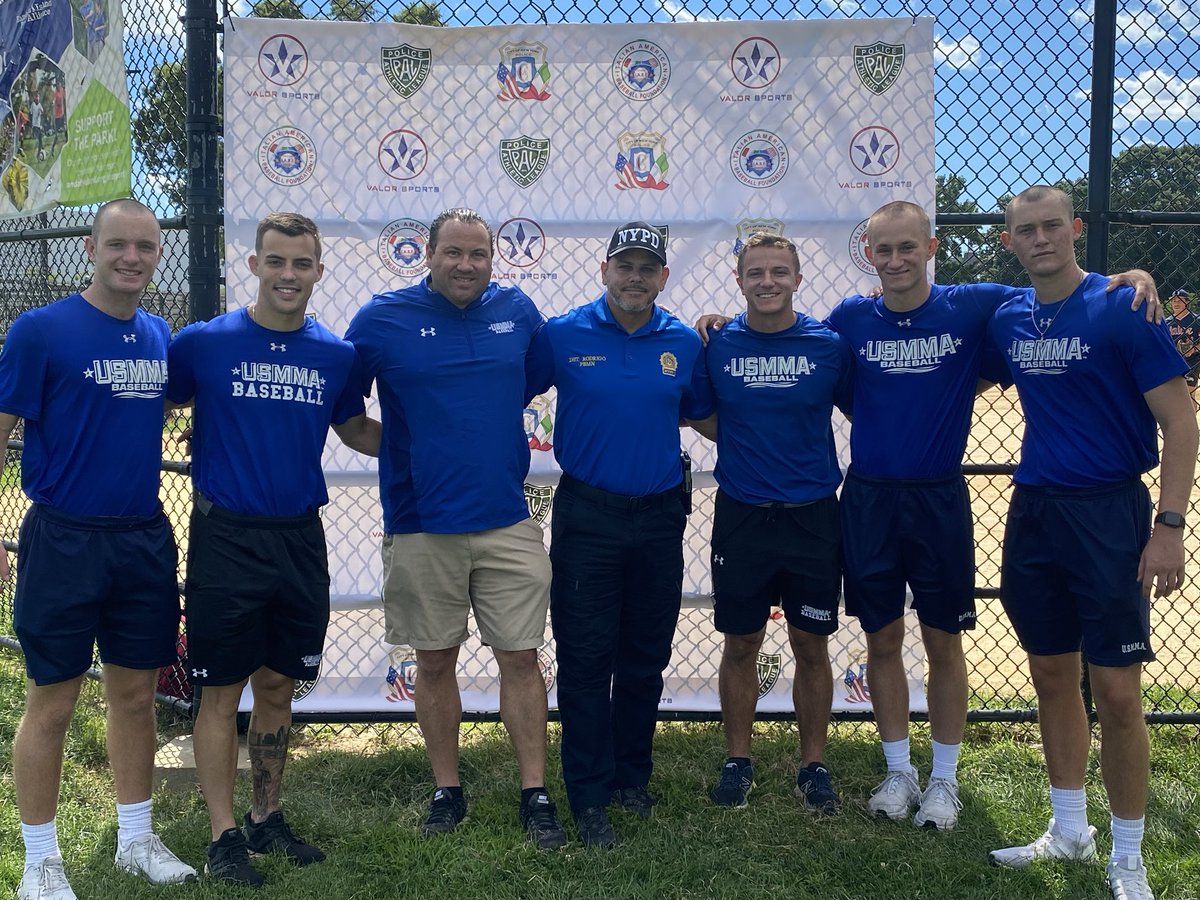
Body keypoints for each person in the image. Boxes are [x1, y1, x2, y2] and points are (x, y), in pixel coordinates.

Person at [698, 202, 1158, 833]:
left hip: (940, 496)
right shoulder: (848, 321)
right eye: (883, 250)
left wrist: (1125, 279)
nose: (895, 260)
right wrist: (720, 323)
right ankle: (898, 770)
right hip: (869, 498)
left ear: (932, 247)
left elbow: (1056, 290)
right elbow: (790, 348)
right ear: (869, 255)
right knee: (882, 639)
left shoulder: (973, 306)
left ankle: (943, 777)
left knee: (943, 640)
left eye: (907, 247)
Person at [984, 186, 1196, 900]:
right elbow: (929, 314)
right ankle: (1070, 828)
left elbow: (1181, 422)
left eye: (1052, 226)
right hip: (1036, 512)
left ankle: (1128, 855)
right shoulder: (1007, 316)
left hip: (1109, 511)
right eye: (1026, 230)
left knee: (1118, 693)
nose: (1040, 239)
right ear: (1009, 241)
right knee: (1051, 675)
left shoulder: (1123, 307)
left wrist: (1169, 527)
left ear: (1075, 228)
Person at [167, 213, 381, 886]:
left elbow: (356, 431)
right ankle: (223, 834)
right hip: (227, 536)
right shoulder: (204, 344)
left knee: (280, 685)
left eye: (302, 263)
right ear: (254, 265)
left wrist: (437, 439)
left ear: (318, 270)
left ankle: (265, 816)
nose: (289, 274)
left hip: (298, 536)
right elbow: (154, 405)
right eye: (277, 261)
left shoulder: (336, 355)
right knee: (219, 692)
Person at [344, 208, 567, 850]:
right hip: (421, 523)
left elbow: (528, 381)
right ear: (429, 255)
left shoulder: (517, 311)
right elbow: (347, 414)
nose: (465, 265)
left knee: (521, 657)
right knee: (435, 659)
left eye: (478, 254)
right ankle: (448, 788)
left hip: (506, 518)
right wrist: (407, 452)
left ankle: (535, 792)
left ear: (493, 260)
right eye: (453, 253)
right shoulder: (382, 319)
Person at [0, 198, 196, 900]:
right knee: (52, 699)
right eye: (118, 244)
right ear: (90, 248)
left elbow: (160, 408)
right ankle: (40, 859)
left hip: (141, 537)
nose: (131, 258)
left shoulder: (158, 334)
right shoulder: (40, 330)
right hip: (64, 537)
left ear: (158, 254)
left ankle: (136, 838)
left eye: (146, 247)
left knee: (136, 694)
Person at [524, 222, 713, 847]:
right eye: (624, 265)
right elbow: (503, 387)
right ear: (604, 270)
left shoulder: (682, 341)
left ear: (663, 276)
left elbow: (709, 415)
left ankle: (633, 777)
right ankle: (588, 793)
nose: (635, 277)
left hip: (659, 517)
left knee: (644, 657)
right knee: (585, 660)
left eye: (647, 267)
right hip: (590, 516)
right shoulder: (562, 334)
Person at [688, 233, 853, 813]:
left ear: (797, 280)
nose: (767, 282)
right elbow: (702, 414)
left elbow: (862, 404)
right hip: (744, 515)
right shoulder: (716, 343)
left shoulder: (828, 345)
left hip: (813, 516)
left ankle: (814, 764)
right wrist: (745, 441)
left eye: (779, 272)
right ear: (739, 281)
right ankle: (738, 760)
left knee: (811, 643)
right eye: (755, 273)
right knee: (742, 642)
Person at [1165, 288, 1199, 390]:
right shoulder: (1167, 322)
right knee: (1173, 392)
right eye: (1173, 301)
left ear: (1187, 302)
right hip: (1173, 361)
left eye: (1179, 300)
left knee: (1188, 391)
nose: (1176, 303)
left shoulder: (1196, 320)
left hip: (1192, 361)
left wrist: (1193, 349)